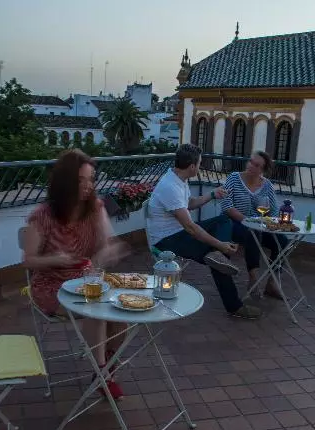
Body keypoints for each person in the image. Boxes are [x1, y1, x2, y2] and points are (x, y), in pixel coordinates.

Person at [23, 149, 129, 399]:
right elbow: (28, 261)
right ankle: (102, 373)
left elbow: (107, 244)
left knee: (120, 313)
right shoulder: (42, 215)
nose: (88, 186)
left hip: (85, 278)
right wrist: (55, 259)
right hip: (51, 284)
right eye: (81, 180)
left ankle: (107, 364)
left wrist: (106, 253)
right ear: (65, 182)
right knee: (95, 308)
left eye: (91, 179)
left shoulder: (95, 208)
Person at [147, 144, 261, 319]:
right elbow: (190, 228)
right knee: (215, 254)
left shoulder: (178, 179)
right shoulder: (170, 186)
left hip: (179, 233)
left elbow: (189, 203)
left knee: (224, 220)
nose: (200, 167)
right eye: (200, 163)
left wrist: (212, 194)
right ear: (192, 166)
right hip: (167, 241)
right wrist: (220, 244)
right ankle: (234, 306)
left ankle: (218, 256)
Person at [221, 151, 288, 298]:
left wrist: (266, 222)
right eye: (250, 161)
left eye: (256, 165)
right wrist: (248, 221)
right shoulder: (234, 178)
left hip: (259, 226)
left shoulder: (267, 185)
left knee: (282, 241)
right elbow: (226, 206)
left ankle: (272, 282)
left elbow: (274, 211)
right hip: (234, 224)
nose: (251, 166)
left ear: (262, 170)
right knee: (252, 233)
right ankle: (253, 279)